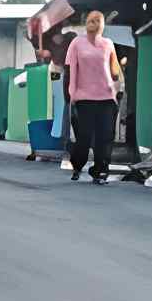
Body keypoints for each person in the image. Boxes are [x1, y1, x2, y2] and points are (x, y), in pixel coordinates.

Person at [58, 10, 121, 183]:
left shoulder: (108, 44)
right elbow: (70, 70)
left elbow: (115, 71)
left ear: (103, 25)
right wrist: (70, 95)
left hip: (107, 98)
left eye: (98, 21)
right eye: (91, 20)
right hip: (83, 98)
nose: (94, 23)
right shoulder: (77, 43)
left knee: (105, 136)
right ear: (86, 23)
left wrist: (118, 87)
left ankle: (100, 171)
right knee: (84, 137)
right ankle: (77, 165)